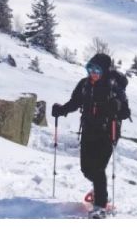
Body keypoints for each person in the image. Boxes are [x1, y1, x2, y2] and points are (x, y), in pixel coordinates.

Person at [52, 53, 130, 219]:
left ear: (104, 71)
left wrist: (116, 105)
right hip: (88, 131)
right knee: (86, 169)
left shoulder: (114, 86)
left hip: (108, 134)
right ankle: (98, 188)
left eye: (97, 70)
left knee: (98, 169)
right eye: (90, 68)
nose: (92, 73)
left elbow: (125, 112)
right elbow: (75, 102)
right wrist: (61, 110)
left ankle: (100, 206)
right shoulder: (84, 85)